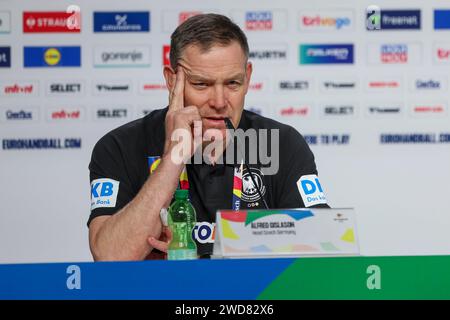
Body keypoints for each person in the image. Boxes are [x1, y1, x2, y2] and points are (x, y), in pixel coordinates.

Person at [88, 13, 329, 261]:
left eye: (233, 83)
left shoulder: (282, 143)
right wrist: (173, 158)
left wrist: (247, 244)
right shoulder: (119, 146)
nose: (219, 102)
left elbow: (323, 248)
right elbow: (110, 256)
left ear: (248, 77)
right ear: (172, 81)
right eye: (201, 84)